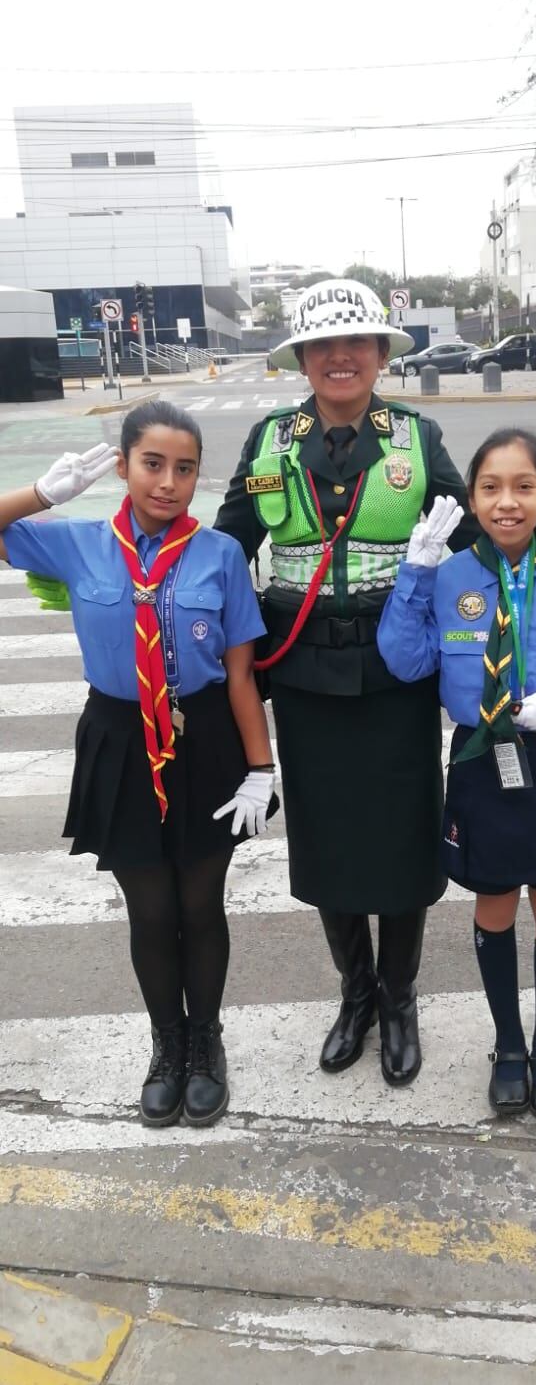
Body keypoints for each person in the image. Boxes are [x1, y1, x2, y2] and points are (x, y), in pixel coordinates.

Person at [214, 278, 477, 1086]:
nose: (340, 358)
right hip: (302, 675)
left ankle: (400, 1000)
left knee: (401, 841)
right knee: (327, 844)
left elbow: (475, 540)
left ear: (378, 355)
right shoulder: (270, 442)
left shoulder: (415, 437)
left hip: (397, 672)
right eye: (323, 347)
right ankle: (355, 995)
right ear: (301, 359)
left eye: (356, 344)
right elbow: (225, 549)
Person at [0, 402, 278, 1128]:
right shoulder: (81, 544)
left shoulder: (219, 555)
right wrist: (40, 495)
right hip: (121, 739)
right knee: (150, 908)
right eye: (152, 464)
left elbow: (242, 674)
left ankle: (206, 1044)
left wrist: (261, 769)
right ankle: (167, 1043)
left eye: (185, 469)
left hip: (206, 736)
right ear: (123, 466)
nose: (168, 482)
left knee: (199, 903)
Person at [377, 429, 536, 1119]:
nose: (507, 502)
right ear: (472, 497)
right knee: (493, 903)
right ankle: (509, 1044)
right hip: (481, 763)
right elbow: (405, 661)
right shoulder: (451, 572)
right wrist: (414, 574)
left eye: (524, 487)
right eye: (490, 487)